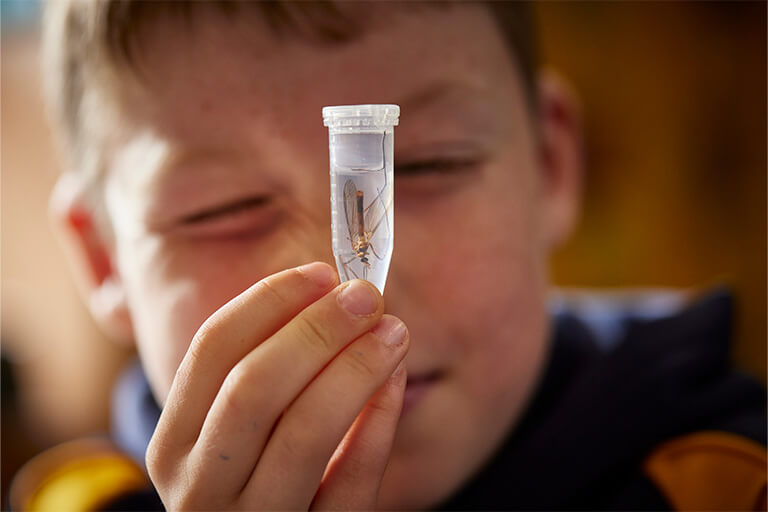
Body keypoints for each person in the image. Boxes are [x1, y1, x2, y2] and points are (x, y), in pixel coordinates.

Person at [11, 1, 766, 510]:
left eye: (433, 165)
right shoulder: (79, 501)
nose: (356, 281)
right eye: (222, 210)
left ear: (551, 165)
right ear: (103, 258)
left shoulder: (727, 483)